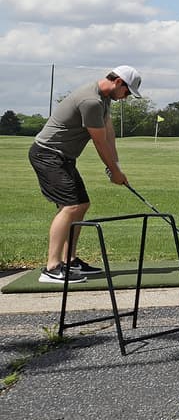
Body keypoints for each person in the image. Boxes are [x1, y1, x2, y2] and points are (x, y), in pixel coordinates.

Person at [28, 66, 142, 283]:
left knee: (81, 204)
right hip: (47, 155)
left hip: (63, 157)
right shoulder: (91, 101)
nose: (126, 98)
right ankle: (52, 267)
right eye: (127, 92)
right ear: (118, 82)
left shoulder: (104, 98)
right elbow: (99, 142)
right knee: (70, 206)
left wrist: (115, 166)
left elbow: (108, 133)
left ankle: (69, 260)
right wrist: (115, 172)